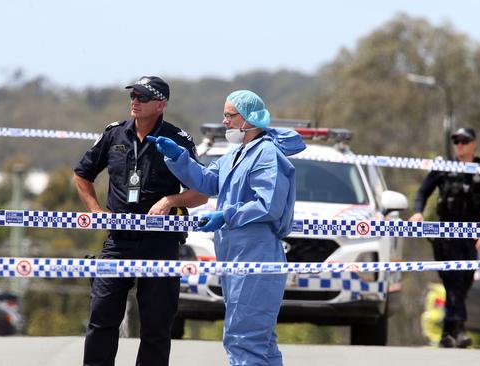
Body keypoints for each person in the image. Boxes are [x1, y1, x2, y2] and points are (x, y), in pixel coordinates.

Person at [148, 90, 306, 365]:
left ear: (248, 119)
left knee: (243, 339)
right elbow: (208, 181)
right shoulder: (238, 154)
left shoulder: (267, 154)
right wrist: (179, 158)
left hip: (256, 258)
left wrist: (227, 215)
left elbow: (269, 205)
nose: (224, 122)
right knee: (260, 343)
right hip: (236, 258)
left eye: (229, 116)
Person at [73, 76, 208, 366]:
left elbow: (201, 193)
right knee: (101, 318)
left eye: (143, 97)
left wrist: (171, 201)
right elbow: (81, 175)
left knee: (157, 327)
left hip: (160, 243)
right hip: (118, 242)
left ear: (161, 104)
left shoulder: (177, 140)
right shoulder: (114, 134)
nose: (135, 101)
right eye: (133, 95)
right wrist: (96, 211)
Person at [409, 127, 480, 349]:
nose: (459, 144)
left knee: (465, 280)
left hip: (471, 233)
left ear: (474, 143)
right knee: (453, 280)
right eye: (456, 141)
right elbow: (422, 192)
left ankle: (447, 332)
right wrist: (418, 212)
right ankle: (458, 329)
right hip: (446, 234)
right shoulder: (444, 167)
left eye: (464, 140)